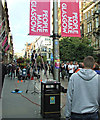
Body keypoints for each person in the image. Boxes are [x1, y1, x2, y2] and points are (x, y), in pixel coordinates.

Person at [65, 56, 100, 120]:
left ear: (83, 64)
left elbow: (69, 97)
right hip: (93, 113)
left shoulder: (74, 77)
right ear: (94, 66)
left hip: (76, 113)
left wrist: (67, 114)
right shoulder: (98, 78)